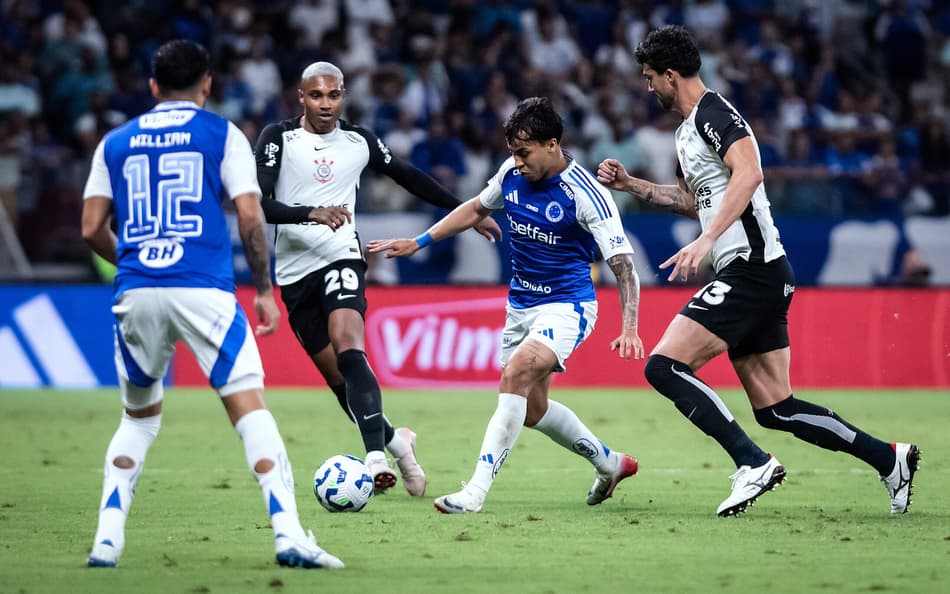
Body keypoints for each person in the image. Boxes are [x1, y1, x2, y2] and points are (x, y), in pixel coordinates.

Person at [596, 25, 920, 517]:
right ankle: (889, 459)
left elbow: (750, 172)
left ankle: (752, 463)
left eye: (649, 77)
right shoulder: (686, 132)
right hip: (761, 273)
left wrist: (707, 240)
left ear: (671, 74)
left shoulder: (715, 112)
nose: (648, 87)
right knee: (777, 408)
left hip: (751, 268)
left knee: (663, 366)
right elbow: (692, 201)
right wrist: (631, 185)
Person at [80, 40, 342, 569]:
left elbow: (90, 228)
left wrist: (133, 261)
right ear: (207, 84)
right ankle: (289, 535)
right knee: (249, 410)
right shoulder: (223, 134)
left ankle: (107, 540)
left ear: (153, 86)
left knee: (138, 418)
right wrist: (264, 289)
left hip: (137, 286)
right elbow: (249, 215)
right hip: (203, 286)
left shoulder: (114, 141)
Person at [368, 97, 644, 514]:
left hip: (567, 306)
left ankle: (474, 493)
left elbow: (623, 266)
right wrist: (419, 241)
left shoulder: (588, 195)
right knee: (532, 410)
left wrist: (630, 326)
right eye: (513, 152)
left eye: (524, 152)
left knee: (516, 374)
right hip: (520, 306)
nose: (517, 162)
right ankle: (609, 463)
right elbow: (476, 208)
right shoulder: (511, 173)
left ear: (552, 144)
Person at [253, 61, 501, 496]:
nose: (325, 104)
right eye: (316, 96)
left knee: (349, 347)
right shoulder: (278, 138)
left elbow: (409, 177)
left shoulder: (358, 141)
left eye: (333, 95)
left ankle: (374, 459)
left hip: (342, 256)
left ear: (343, 96)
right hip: (294, 273)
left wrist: (468, 212)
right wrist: (311, 213)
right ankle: (398, 444)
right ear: (301, 97)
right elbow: (259, 202)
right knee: (339, 383)